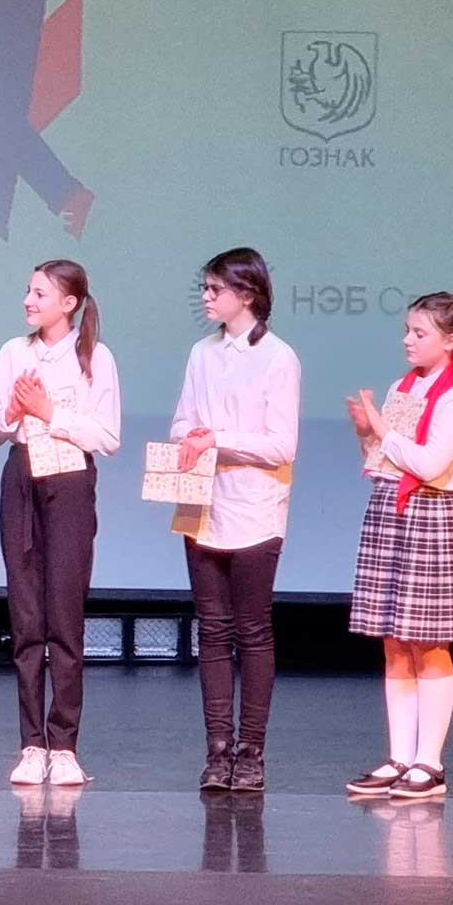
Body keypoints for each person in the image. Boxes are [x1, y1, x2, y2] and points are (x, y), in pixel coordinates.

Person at [0, 260, 119, 786]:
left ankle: (65, 746)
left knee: (64, 616)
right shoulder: (13, 353)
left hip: (71, 479)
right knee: (26, 615)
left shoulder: (94, 357)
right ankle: (31, 743)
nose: (29, 301)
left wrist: (50, 412)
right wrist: (15, 412)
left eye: (40, 294)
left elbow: (108, 437)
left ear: (69, 303)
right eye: (28, 291)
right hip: (21, 476)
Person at [342, 293, 453, 802]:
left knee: (429, 642)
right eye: (407, 329)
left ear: (450, 341)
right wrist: (367, 433)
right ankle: (399, 756)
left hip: (431, 513)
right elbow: (386, 460)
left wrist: (383, 429)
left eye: (419, 333)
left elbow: (428, 465)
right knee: (394, 641)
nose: (407, 340)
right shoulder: (403, 387)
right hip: (391, 510)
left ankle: (430, 761)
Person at [167, 247, 301, 794]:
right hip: (203, 504)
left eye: (215, 289)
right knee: (213, 630)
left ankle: (252, 752)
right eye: (205, 287)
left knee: (253, 630)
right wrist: (193, 436)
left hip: (256, 508)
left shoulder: (278, 358)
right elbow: (182, 421)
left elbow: (280, 444)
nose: (205, 297)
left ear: (246, 294)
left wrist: (218, 439)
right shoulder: (202, 353)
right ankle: (217, 750)